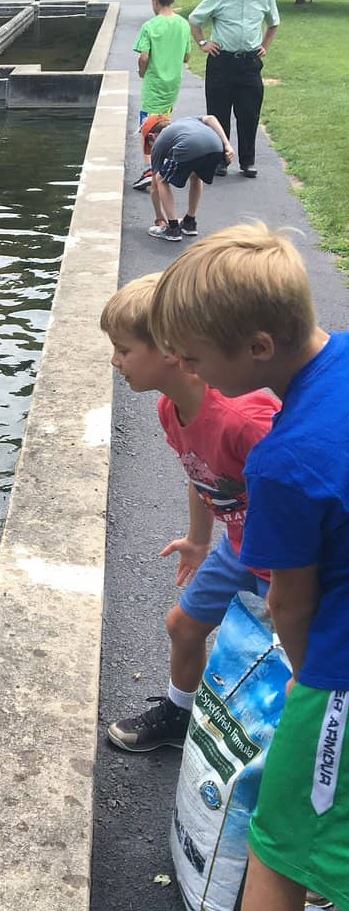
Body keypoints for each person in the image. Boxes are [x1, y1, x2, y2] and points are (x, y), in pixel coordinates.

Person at [142, 222, 349, 911]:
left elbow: (290, 605)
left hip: (340, 671)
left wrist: (307, 683)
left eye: (196, 358)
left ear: (257, 348)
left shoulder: (282, 461)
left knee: (279, 846)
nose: (187, 370)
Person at [101, 272, 278, 754]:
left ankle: (283, 755)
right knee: (183, 624)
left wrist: (288, 581)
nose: (115, 360)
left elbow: (293, 499)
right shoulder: (169, 409)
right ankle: (181, 715)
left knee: (286, 663)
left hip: (288, 555)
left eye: (123, 348)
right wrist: (199, 540)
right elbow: (198, 473)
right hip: (240, 546)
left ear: (170, 352)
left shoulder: (245, 419)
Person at [188, 0, 280, 179]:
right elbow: (194, 19)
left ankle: (247, 162)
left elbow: (273, 22)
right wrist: (203, 43)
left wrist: (265, 45)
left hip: (249, 63)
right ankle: (221, 159)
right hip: (221, 62)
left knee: (249, 114)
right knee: (218, 113)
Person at [132, 0, 192, 192]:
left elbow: (143, 57)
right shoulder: (183, 25)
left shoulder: (150, 26)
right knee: (164, 124)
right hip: (172, 85)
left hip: (154, 84)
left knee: (147, 127)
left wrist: (141, 72)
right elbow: (186, 55)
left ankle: (150, 170)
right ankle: (163, 165)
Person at [144, 114, 234, 242]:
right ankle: (189, 222)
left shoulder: (158, 144)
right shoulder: (185, 122)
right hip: (216, 146)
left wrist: (160, 218)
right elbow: (211, 118)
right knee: (196, 175)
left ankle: (173, 228)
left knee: (161, 180)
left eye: (150, 145)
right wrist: (227, 145)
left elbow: (154, 188)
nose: (152, 148)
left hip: (190, 145)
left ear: (152, 136)